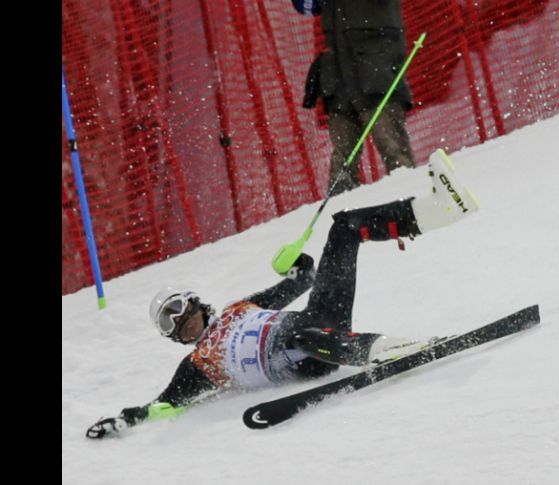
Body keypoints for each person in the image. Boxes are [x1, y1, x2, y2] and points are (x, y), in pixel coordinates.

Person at [86, 149, 480, 439]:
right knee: (301, 339)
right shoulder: (198, 364)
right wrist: (126, 419)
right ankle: (387, 349)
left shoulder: (239, 308)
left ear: (195, 302)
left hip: (319, 317)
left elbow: (302, 279)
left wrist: (291, 263)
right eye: (168, 324)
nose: (178, 321)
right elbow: (165, 404)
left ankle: (439, 210)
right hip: (303, 357)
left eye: (177, 309)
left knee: (343, 227)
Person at [293, 0, 416, 195]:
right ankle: (344, 215)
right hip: (340, 77)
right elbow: (305, 5)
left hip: (376, 71)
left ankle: (412, 206)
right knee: (342, 163)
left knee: (394, 151)